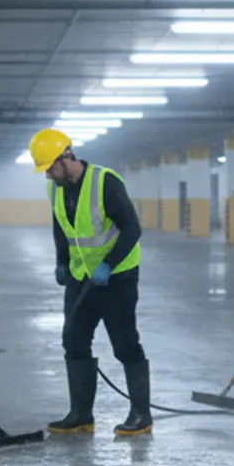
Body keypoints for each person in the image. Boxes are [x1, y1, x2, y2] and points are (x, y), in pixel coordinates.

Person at [27, 128, 151, 436]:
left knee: (125, 344)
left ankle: (141, 415)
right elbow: (60, 226)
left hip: (117, 277)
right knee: (73, 340)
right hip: (81, 278)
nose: (47, 175)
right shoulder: (56, 188)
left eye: (49, 168)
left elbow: (133, 229)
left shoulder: (105, 182)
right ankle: (81, 414)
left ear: (66, 157)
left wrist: (109, 265)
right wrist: (61, 262)